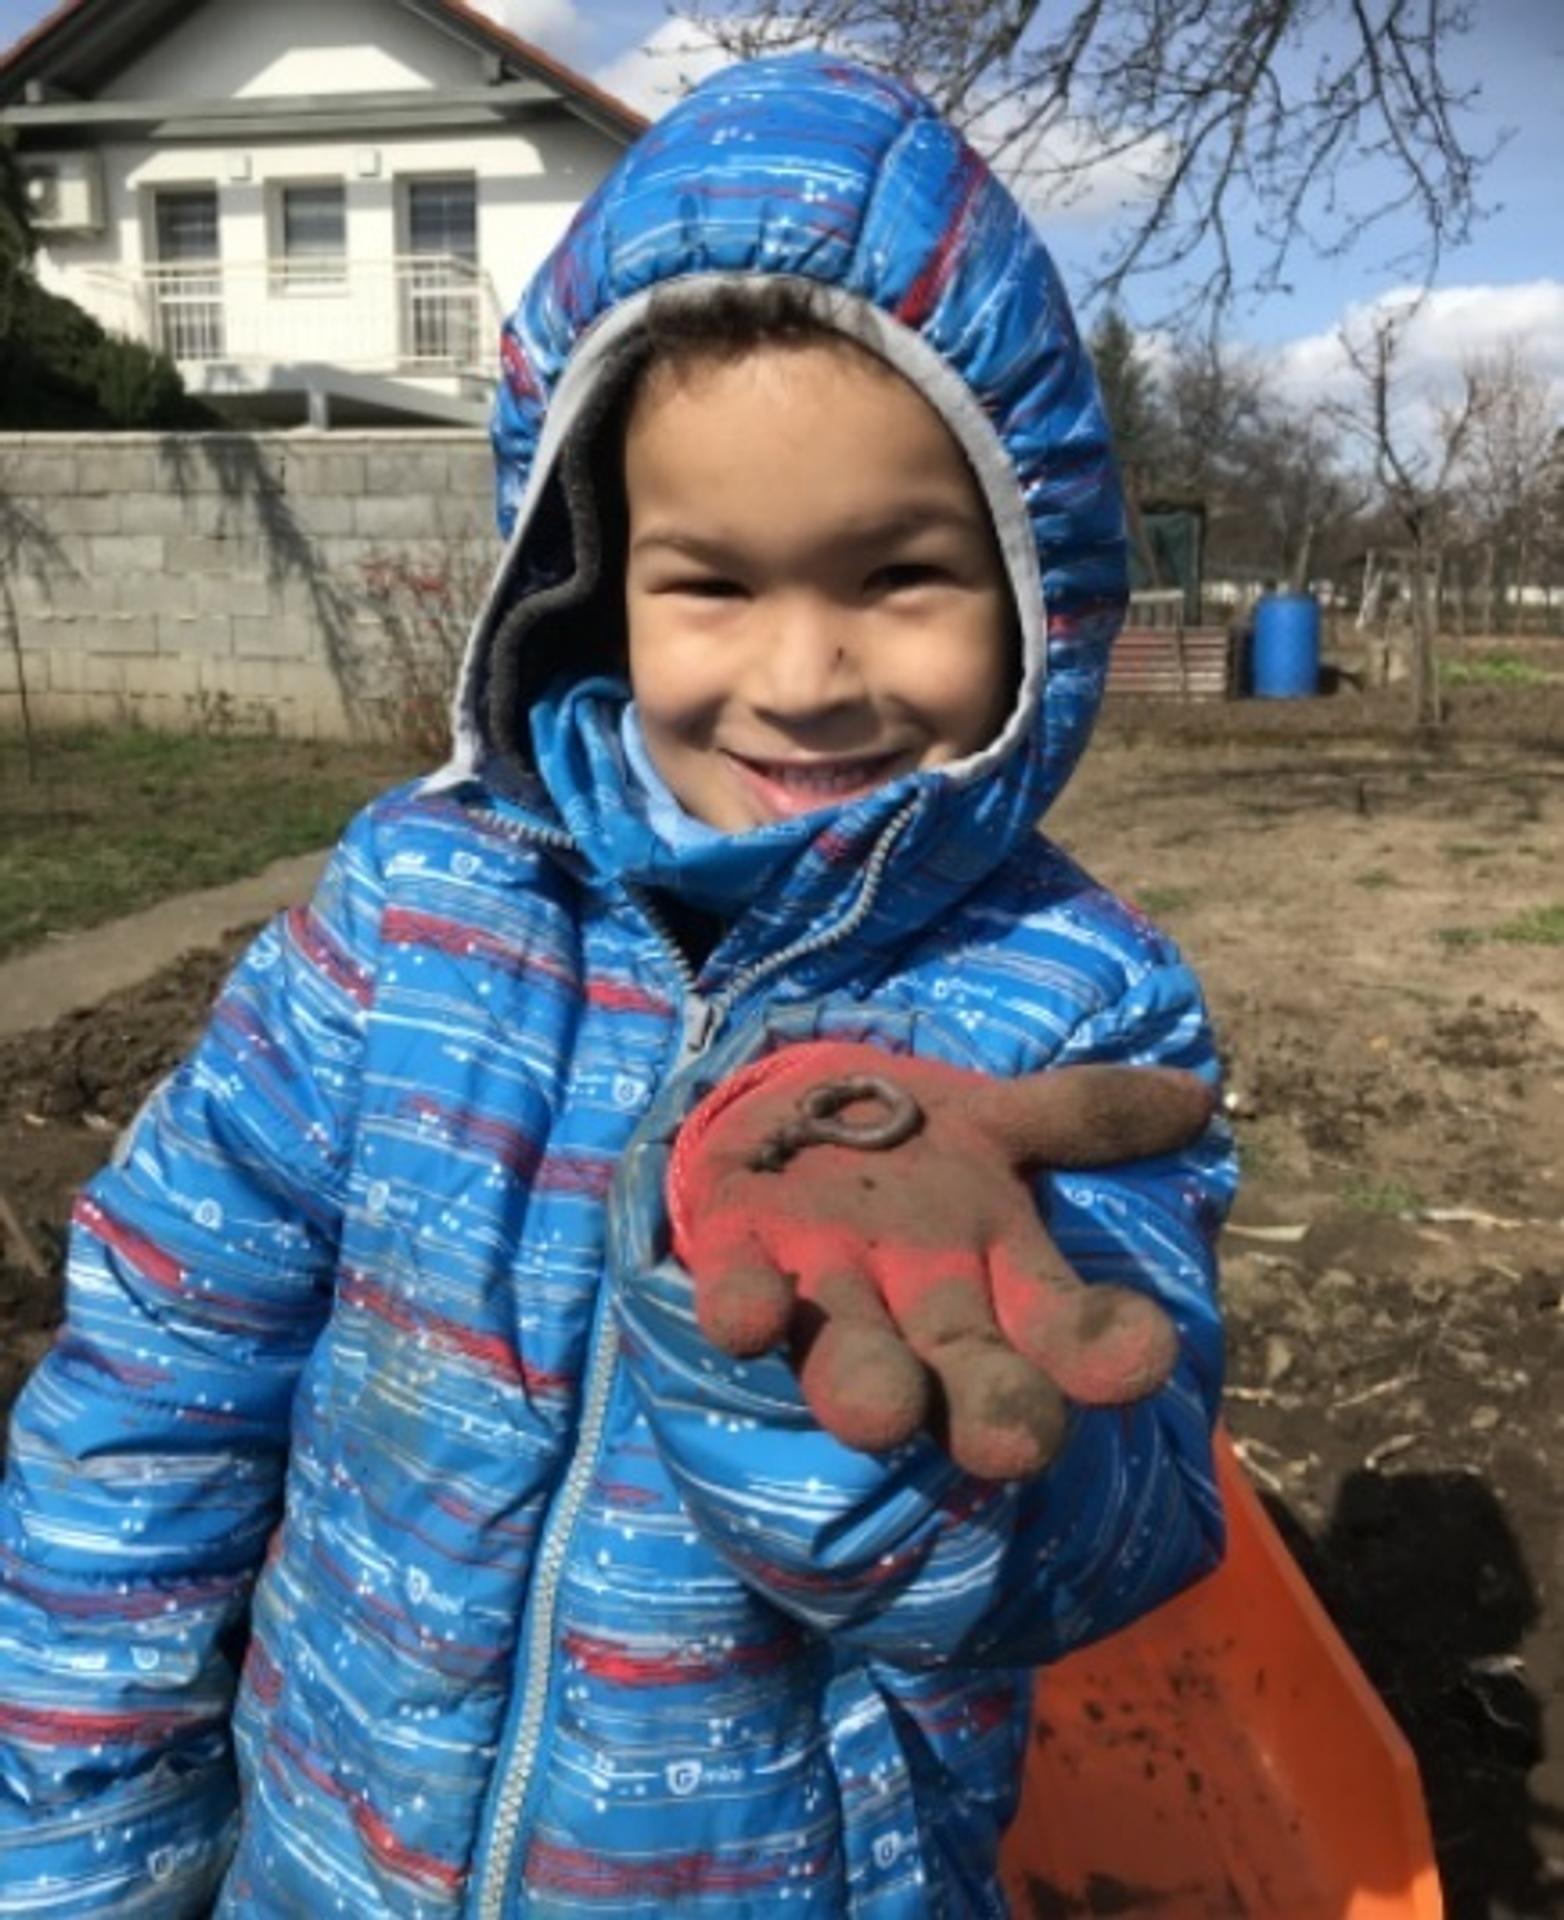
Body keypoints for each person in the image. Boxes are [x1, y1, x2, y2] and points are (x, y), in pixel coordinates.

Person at [0, 51, 1235, 1918]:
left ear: (1034, 578)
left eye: (899, 574)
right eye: (712, 584)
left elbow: (1111, 1530)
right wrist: (86, 1854)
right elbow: (156, 1387)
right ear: (590, 576)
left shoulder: (1073, 1019)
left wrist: (794, 1395)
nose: (806, 673)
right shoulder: (412, 913)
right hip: (330, 1864)